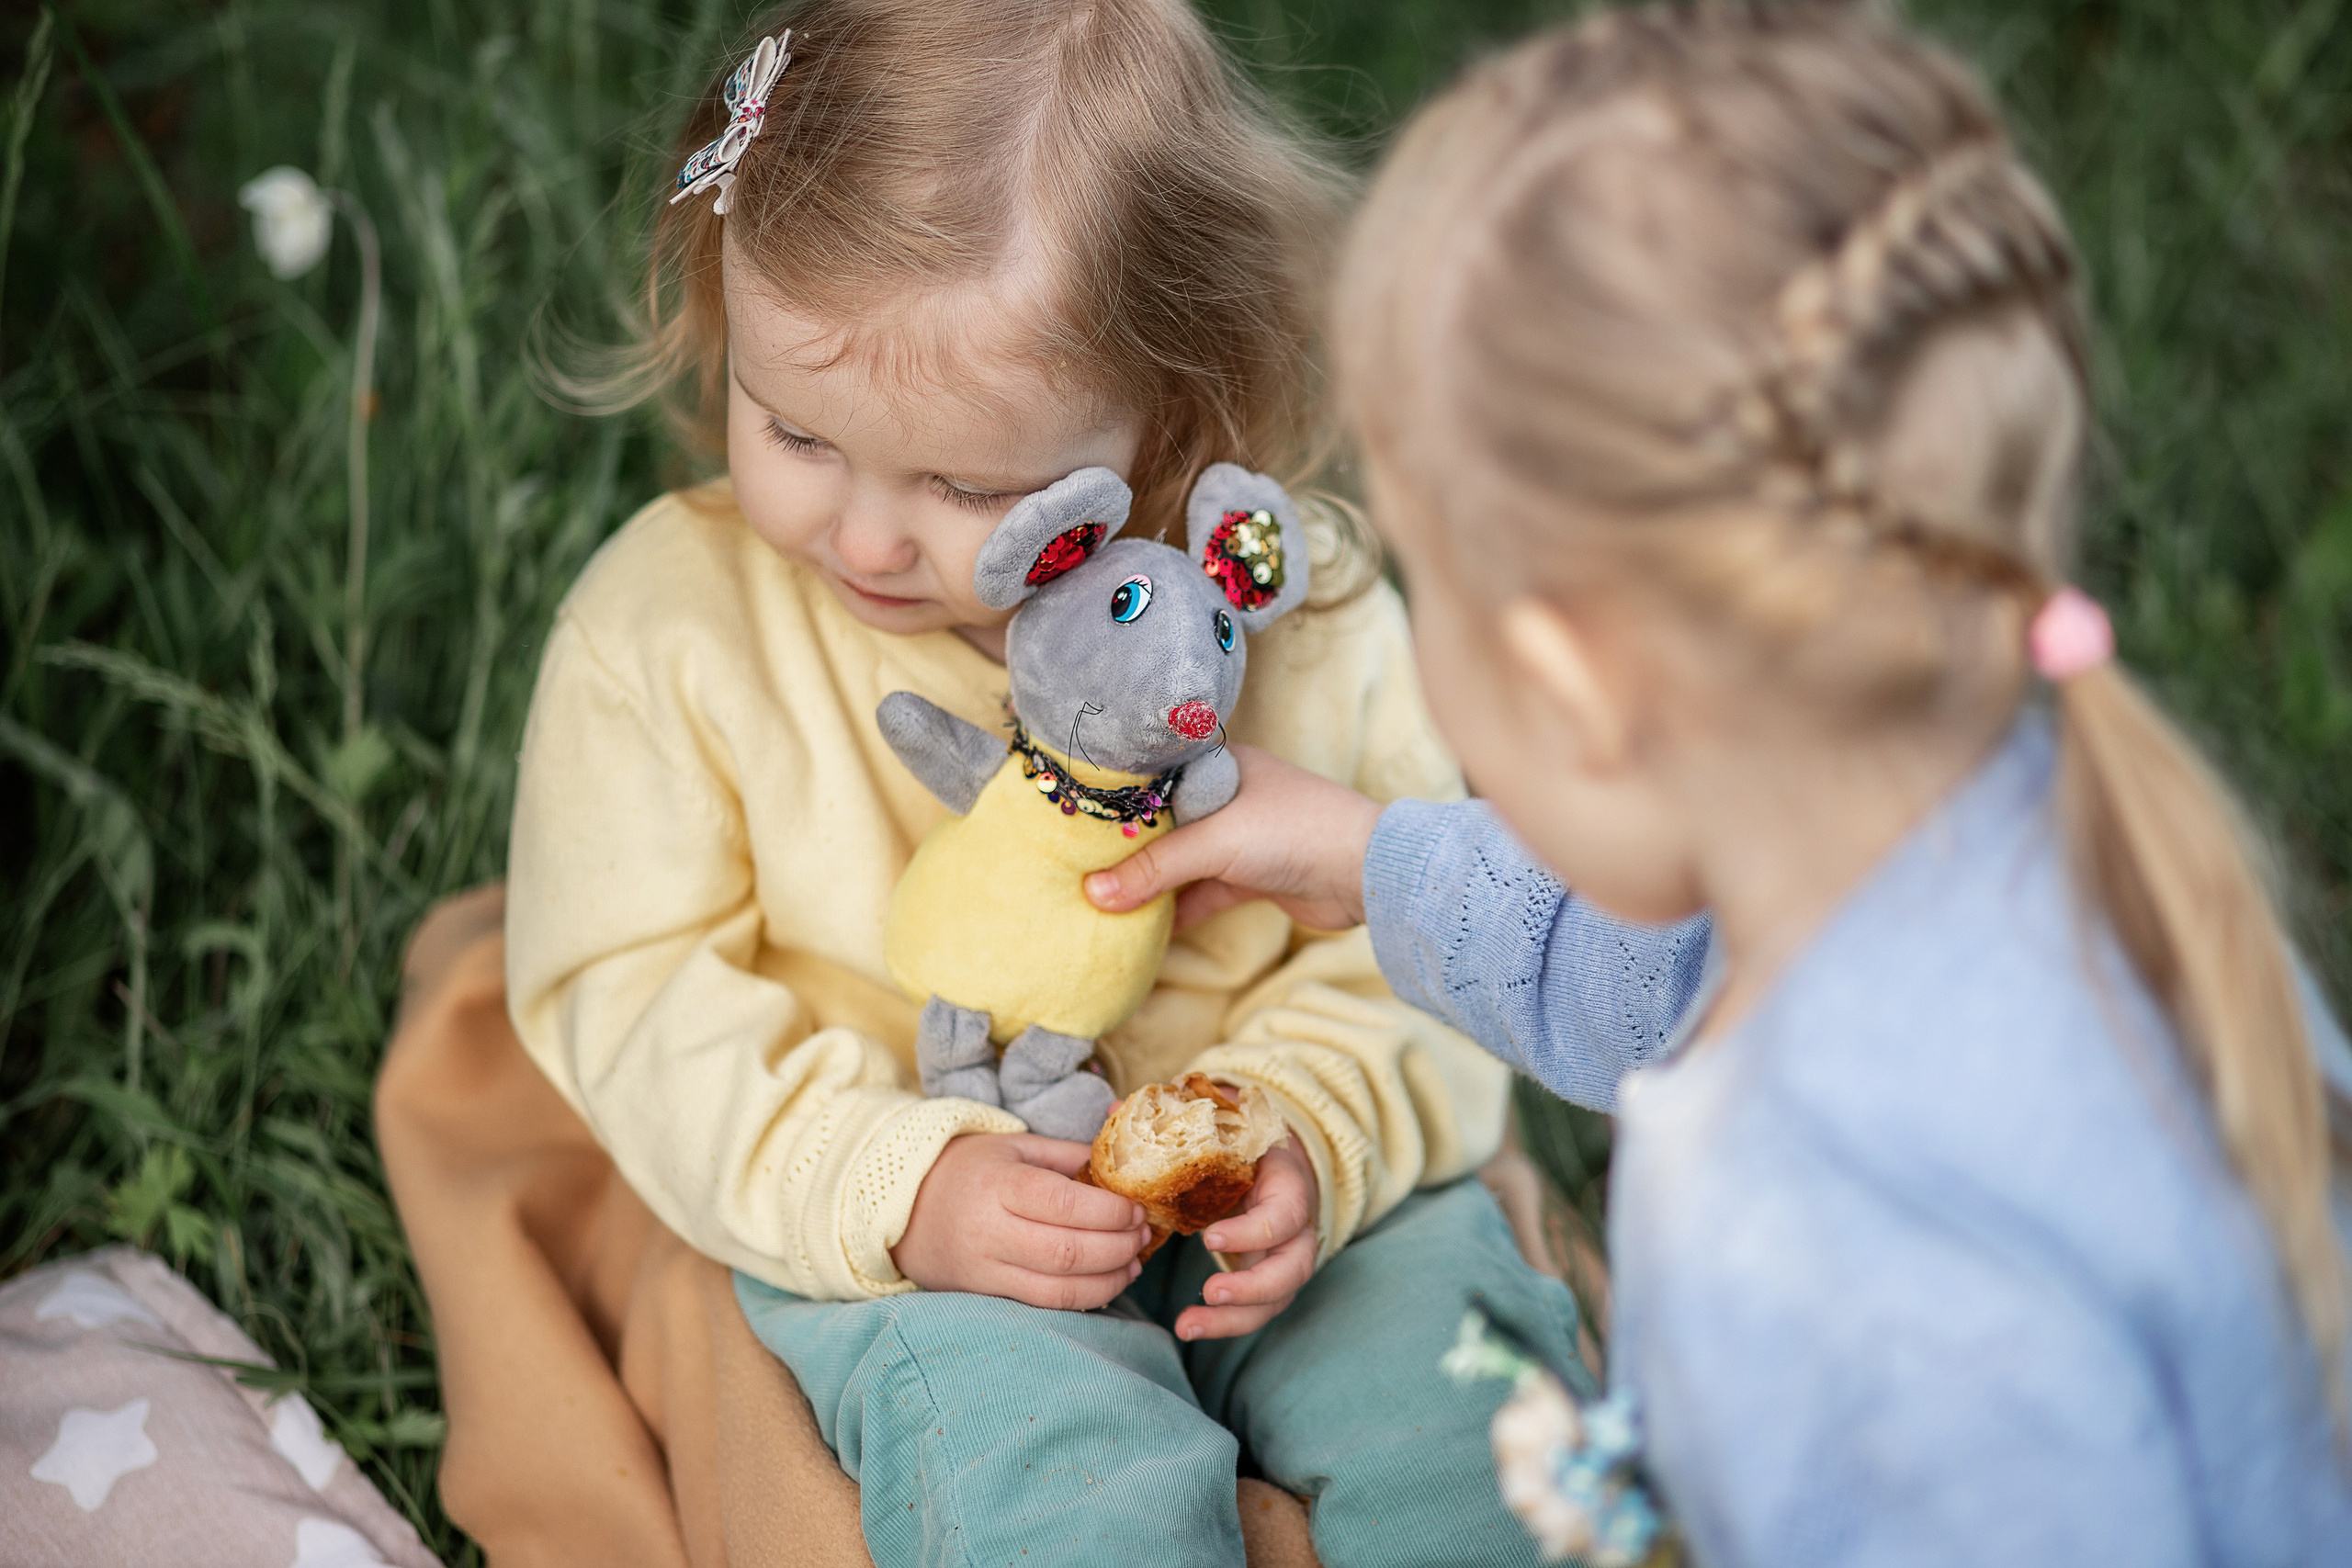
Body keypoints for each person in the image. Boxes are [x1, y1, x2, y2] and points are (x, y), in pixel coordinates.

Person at [1084, 5, 2352, 1562]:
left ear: (1567, 680)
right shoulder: (2059, 851)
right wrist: (1372, 858)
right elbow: (1669, 965)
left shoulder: (1820, 1238)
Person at [491, 2, 1589, 1563]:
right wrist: (900, 1185)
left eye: (967, 483)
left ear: (1171, 397)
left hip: (1294, 1200)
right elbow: (636, 992)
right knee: (1060, 1484)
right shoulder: (669, 632)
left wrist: (1309, 1138)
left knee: (1476, 1441)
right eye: (794, 428)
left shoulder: (1306, 616)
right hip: (926, 1223)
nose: (869, 538)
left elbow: (1408, 924)